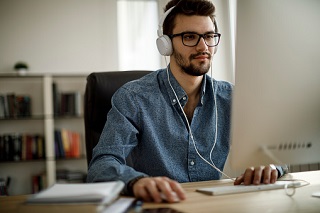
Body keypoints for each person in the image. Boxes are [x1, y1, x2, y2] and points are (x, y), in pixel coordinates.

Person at [87, 0, 286, 203]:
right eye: (190, 37)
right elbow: (102, 164)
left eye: (209, 36)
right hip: (160, 205)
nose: (203, 46)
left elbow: (277, 152)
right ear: (166, 44)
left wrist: (270, 166)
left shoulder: (232, 98)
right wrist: (135, 182)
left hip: (213, 206)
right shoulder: (133, 97)